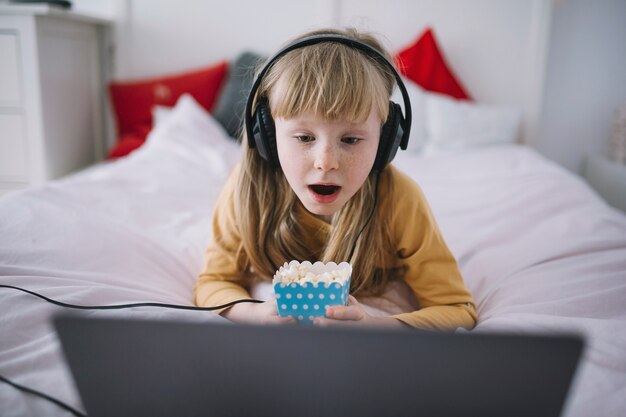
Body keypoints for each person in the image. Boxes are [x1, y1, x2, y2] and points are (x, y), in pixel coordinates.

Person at [194, 27, 477, 331]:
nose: (325, 162)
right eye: (304, 137)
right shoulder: (247, 189)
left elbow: (457, 309)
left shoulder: (400, 199)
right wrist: (254, 314)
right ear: (267, 136)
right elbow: (214, 282)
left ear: (385, 142)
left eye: (351, 140)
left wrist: (374, 326)